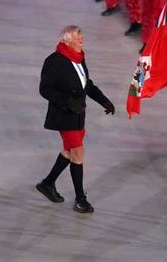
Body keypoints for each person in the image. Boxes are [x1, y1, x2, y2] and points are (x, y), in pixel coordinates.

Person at [37, 26, 115, 213]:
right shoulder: (54, 61)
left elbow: (86, 84)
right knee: (78, 153)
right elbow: (45, 89)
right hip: (64, 115)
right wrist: (67, 102)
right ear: (67, 40)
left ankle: (47, 184)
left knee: (69, 151)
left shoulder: (79, 58)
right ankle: (80, 199)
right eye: (78, 36)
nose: (82, 39)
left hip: (79, 115)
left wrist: (104, 101)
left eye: (81, 36)